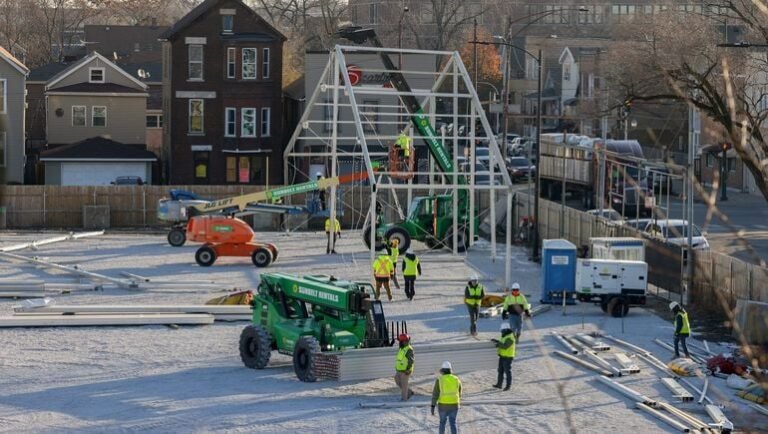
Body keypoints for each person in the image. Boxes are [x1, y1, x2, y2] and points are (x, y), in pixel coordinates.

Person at [431, 361, 462, 434]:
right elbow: (459, 392)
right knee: (453, 423)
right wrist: (457, 401)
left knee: (442, 423)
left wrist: (433, 406)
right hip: (454, 404)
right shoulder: (456, 379)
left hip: (443, 405)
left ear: (442, 370)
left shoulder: (439, 380)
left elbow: (435, 394)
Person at [491, 322, 516, 391]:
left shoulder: (510, 337)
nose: (501, 331)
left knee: (507, 371)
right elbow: (502, 343)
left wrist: (498, 344)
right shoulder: (505, 335)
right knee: (500, 371)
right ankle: (499, 384)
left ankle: (508, 386)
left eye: (502, 330)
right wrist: (497, 341)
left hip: (508, 357)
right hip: (502, 356)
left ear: (506, 330)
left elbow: (505, 346)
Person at [394, 333, 415, 401]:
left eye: (400, 341)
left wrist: (408, 369)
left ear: (404, 341)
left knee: (404, 385)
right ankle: (409, 392)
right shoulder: (402, 348)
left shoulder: (409, 349)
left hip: (406, 371)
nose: (399, 342)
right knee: (397, 380)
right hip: (399, 370)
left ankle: (404, 399)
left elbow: (411, 360)